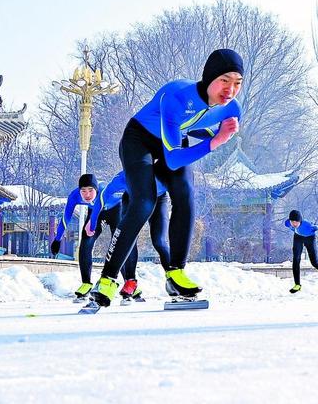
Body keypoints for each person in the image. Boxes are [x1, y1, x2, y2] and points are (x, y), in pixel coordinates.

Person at [89, 49, 243, 307]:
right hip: (140, 141)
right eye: (224, 80)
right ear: (209, 78)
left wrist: (214, 137)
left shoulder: (233, 108)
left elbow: (201, 127)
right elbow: (174, 159)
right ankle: (107, 279)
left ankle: (176, 273)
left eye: (237, 83)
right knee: (144, 202)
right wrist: (215, 142)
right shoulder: (177, 95)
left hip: (173, 139)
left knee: (185, 192)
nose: (230, 89)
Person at [86, 169, 173, 300]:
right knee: (129, 238)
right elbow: (101, 199)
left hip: (159, 199)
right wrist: (92, 223)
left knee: (159, 241)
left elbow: (182, 191)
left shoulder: (160, 173)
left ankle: (174, 277)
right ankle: (130, 281)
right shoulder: (121, 178)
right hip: (132, 200)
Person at [49, 173, 137, 299]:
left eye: (90, 190)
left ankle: (130, 283)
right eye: (83, 191)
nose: (87, 195)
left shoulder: (106, 190)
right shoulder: (74, 196)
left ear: (96, 189)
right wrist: (57, 240)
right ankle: (86, 283)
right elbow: (66, 217)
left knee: (119, 245)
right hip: (95, 213)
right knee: (86, 242)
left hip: (115, 210)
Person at [284, 210, 318, 293]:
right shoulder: (288, 223)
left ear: (300, 221)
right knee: (296, 260)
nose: (294, 224)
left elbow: (316, 227)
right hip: (298, 237)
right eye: (292, 222)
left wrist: (315, 227)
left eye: (296, 222)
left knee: (314, 262)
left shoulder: (307, 226)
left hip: (310, 238)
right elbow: (286, 223)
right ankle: (297, 285)